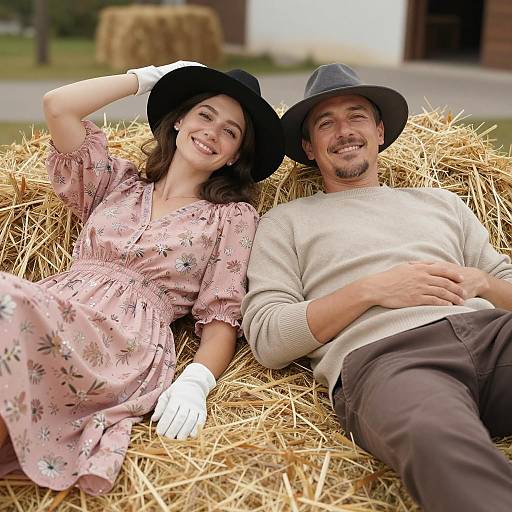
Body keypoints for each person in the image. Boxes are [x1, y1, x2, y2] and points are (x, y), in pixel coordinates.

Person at [0, 61, 284, 495]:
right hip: (53, 309)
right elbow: (58, 106)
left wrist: (197, 382)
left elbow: (222, 316)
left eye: (231, 132)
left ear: (235, 156)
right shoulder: (116, 183)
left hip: (122, 340)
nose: (212, 132)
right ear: (178, 123)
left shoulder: (232, 217)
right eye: (204, 115)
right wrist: (150, 77)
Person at [241, 63, 512, 512]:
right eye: (326, 123)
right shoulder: (284, 222)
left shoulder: (441, 202)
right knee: (435, 438)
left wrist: (483, 282)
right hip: (390, 360)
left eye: (357, 116)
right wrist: (372, 290)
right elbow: (268, 337)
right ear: (309, 147)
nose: (343, 131)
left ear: (380, 131)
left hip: (489, 336)